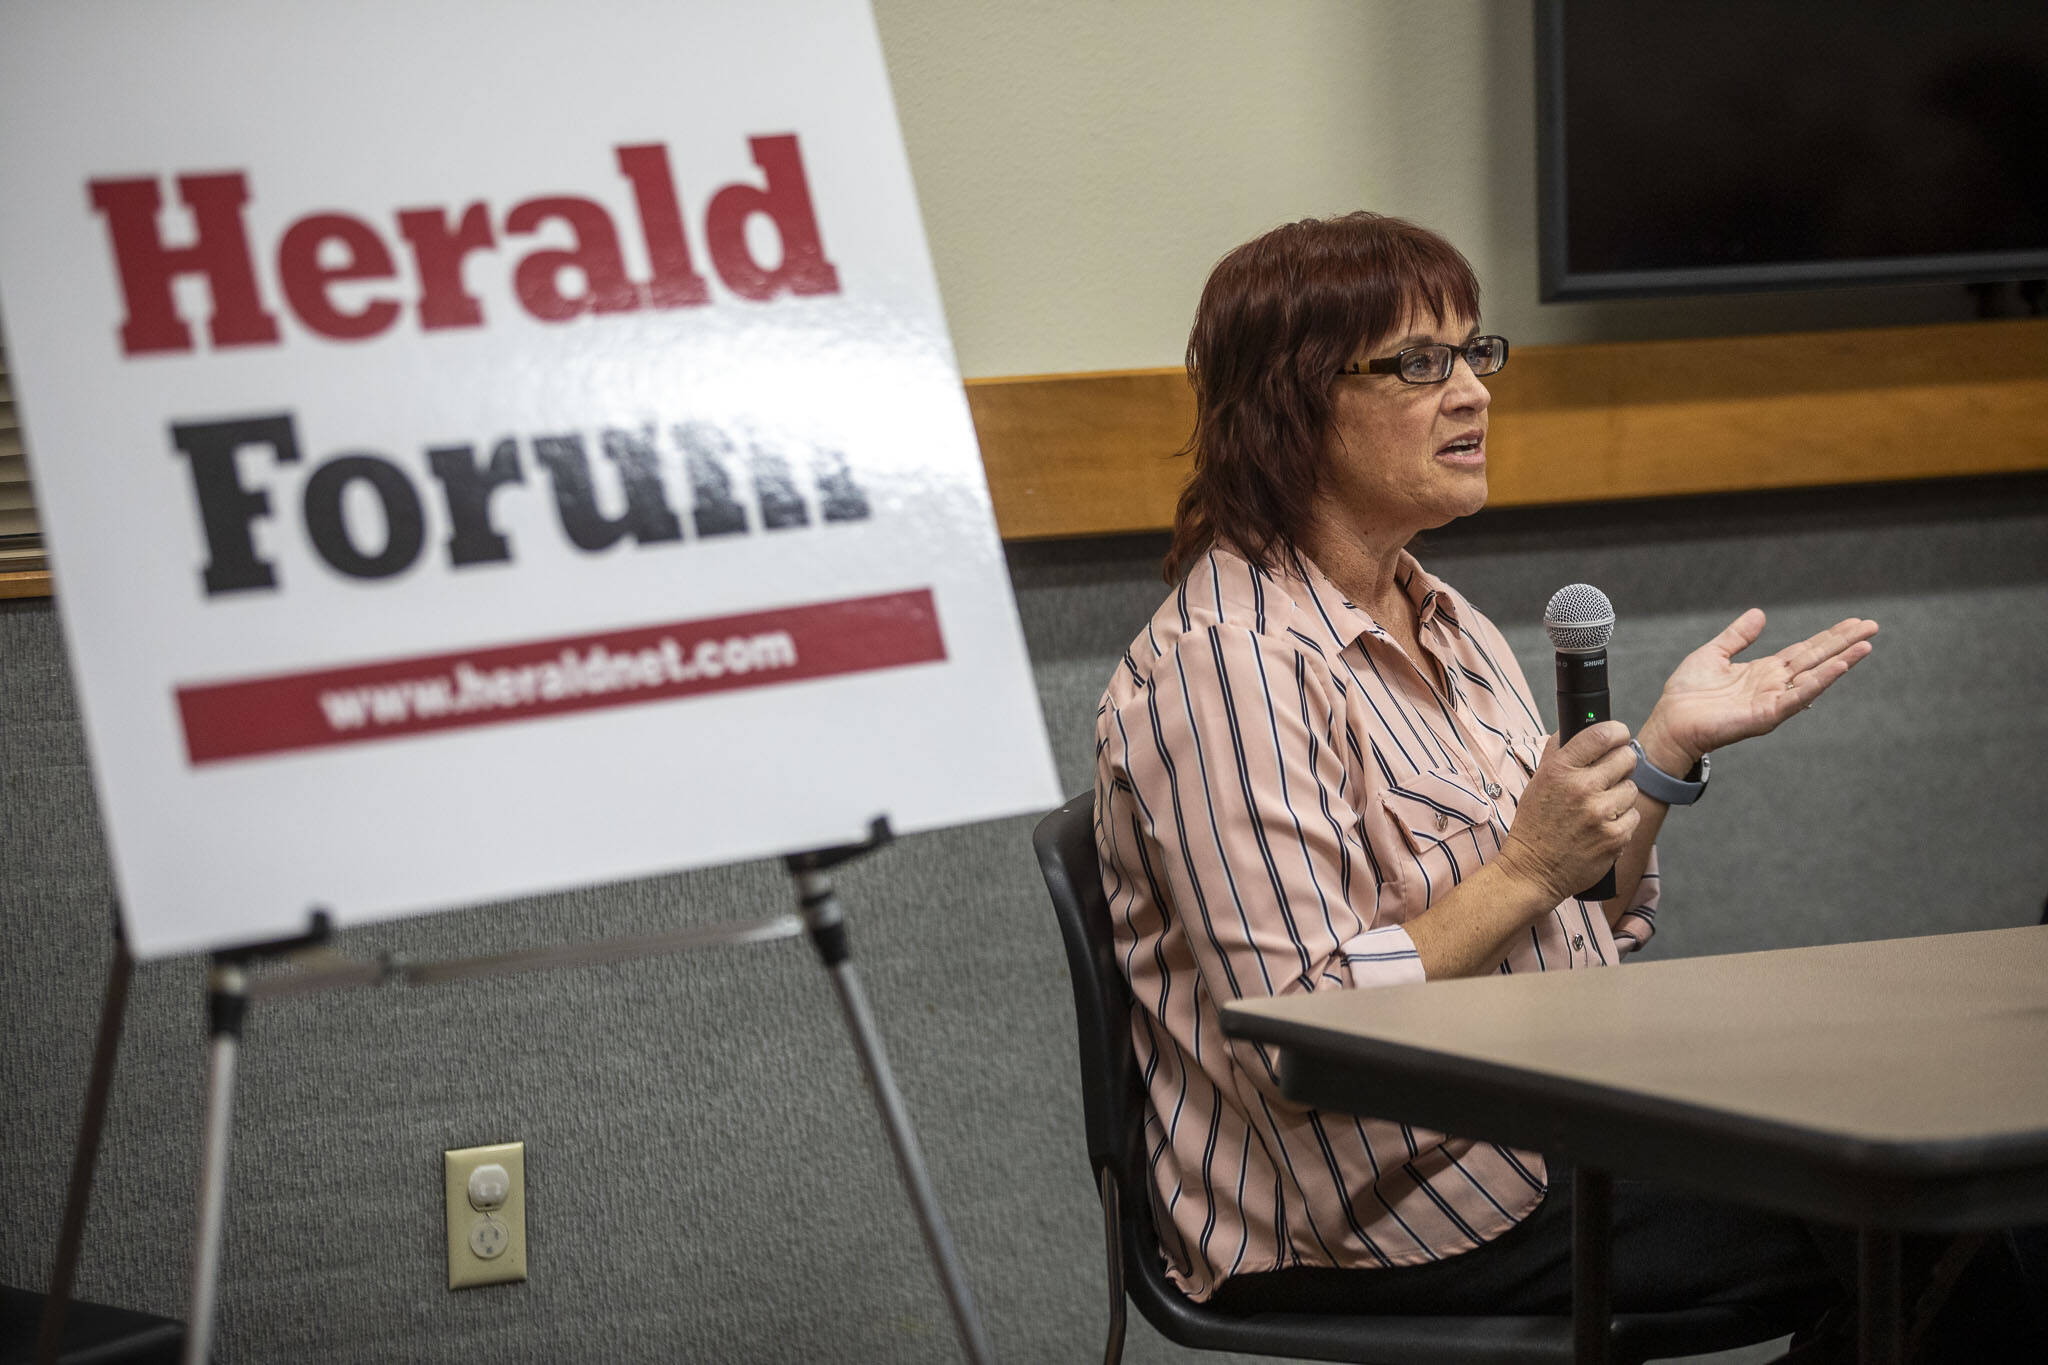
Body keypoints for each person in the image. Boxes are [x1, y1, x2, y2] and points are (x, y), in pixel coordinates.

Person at [1091, 211, 2038, 1358]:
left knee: (1961, 1172)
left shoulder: (1448, 621)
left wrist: (1662, 758)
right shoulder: (1224, 668)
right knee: (1961, 1225)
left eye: (1473, 353)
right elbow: (1296, 1038)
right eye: (1418, 363)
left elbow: (1585, 919)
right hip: (1388, 1212)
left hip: (1546, 1118)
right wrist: (1525, 863)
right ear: (1288, 406)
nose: (1472, 393)